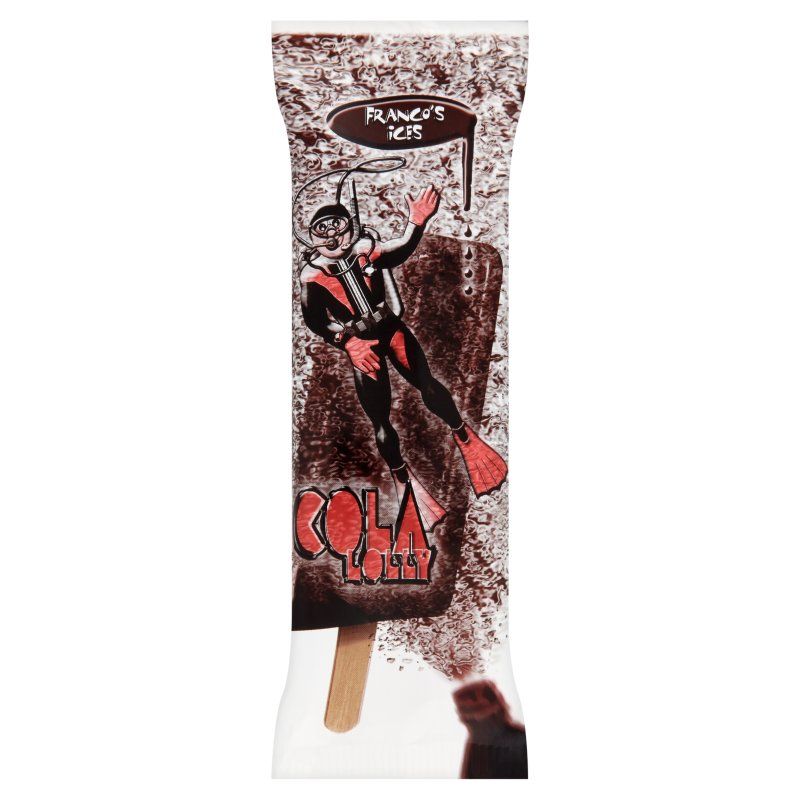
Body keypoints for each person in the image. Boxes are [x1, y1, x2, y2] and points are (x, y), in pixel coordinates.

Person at [299, 184, 507, 529]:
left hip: (390, 328)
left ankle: (465, 438)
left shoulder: (365, 250)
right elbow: (316, 321)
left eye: (337, 226)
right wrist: (348, 342)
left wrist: (416, 223)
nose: (332, 236)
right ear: (312, 237)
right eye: (323, 230)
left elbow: (400, 250)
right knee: (381, 420)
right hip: (363, 344)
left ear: (350, 226)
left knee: (427, 384)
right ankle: (404, 482)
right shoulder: (313, 275)